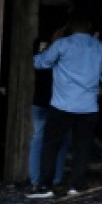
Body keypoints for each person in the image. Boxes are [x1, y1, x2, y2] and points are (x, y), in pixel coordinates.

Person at [27, 12, 102, 198]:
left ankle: (45, 188)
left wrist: (50, 43)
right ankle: (75, 187)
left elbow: (39, 63)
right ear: (89, 25)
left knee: (51, 146)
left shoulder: (61, 45)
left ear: (70, 27)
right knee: (82, 148)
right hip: (88, 107)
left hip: (61, 106)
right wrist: (97, 94)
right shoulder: (101, 48)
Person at [29, 30, 70, 190]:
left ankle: (39, 179)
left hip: (45, 99)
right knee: (58, 139)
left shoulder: (44, 45)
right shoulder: (63, 46)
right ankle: (51, 179)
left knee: (41, 138)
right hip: (58, 101)